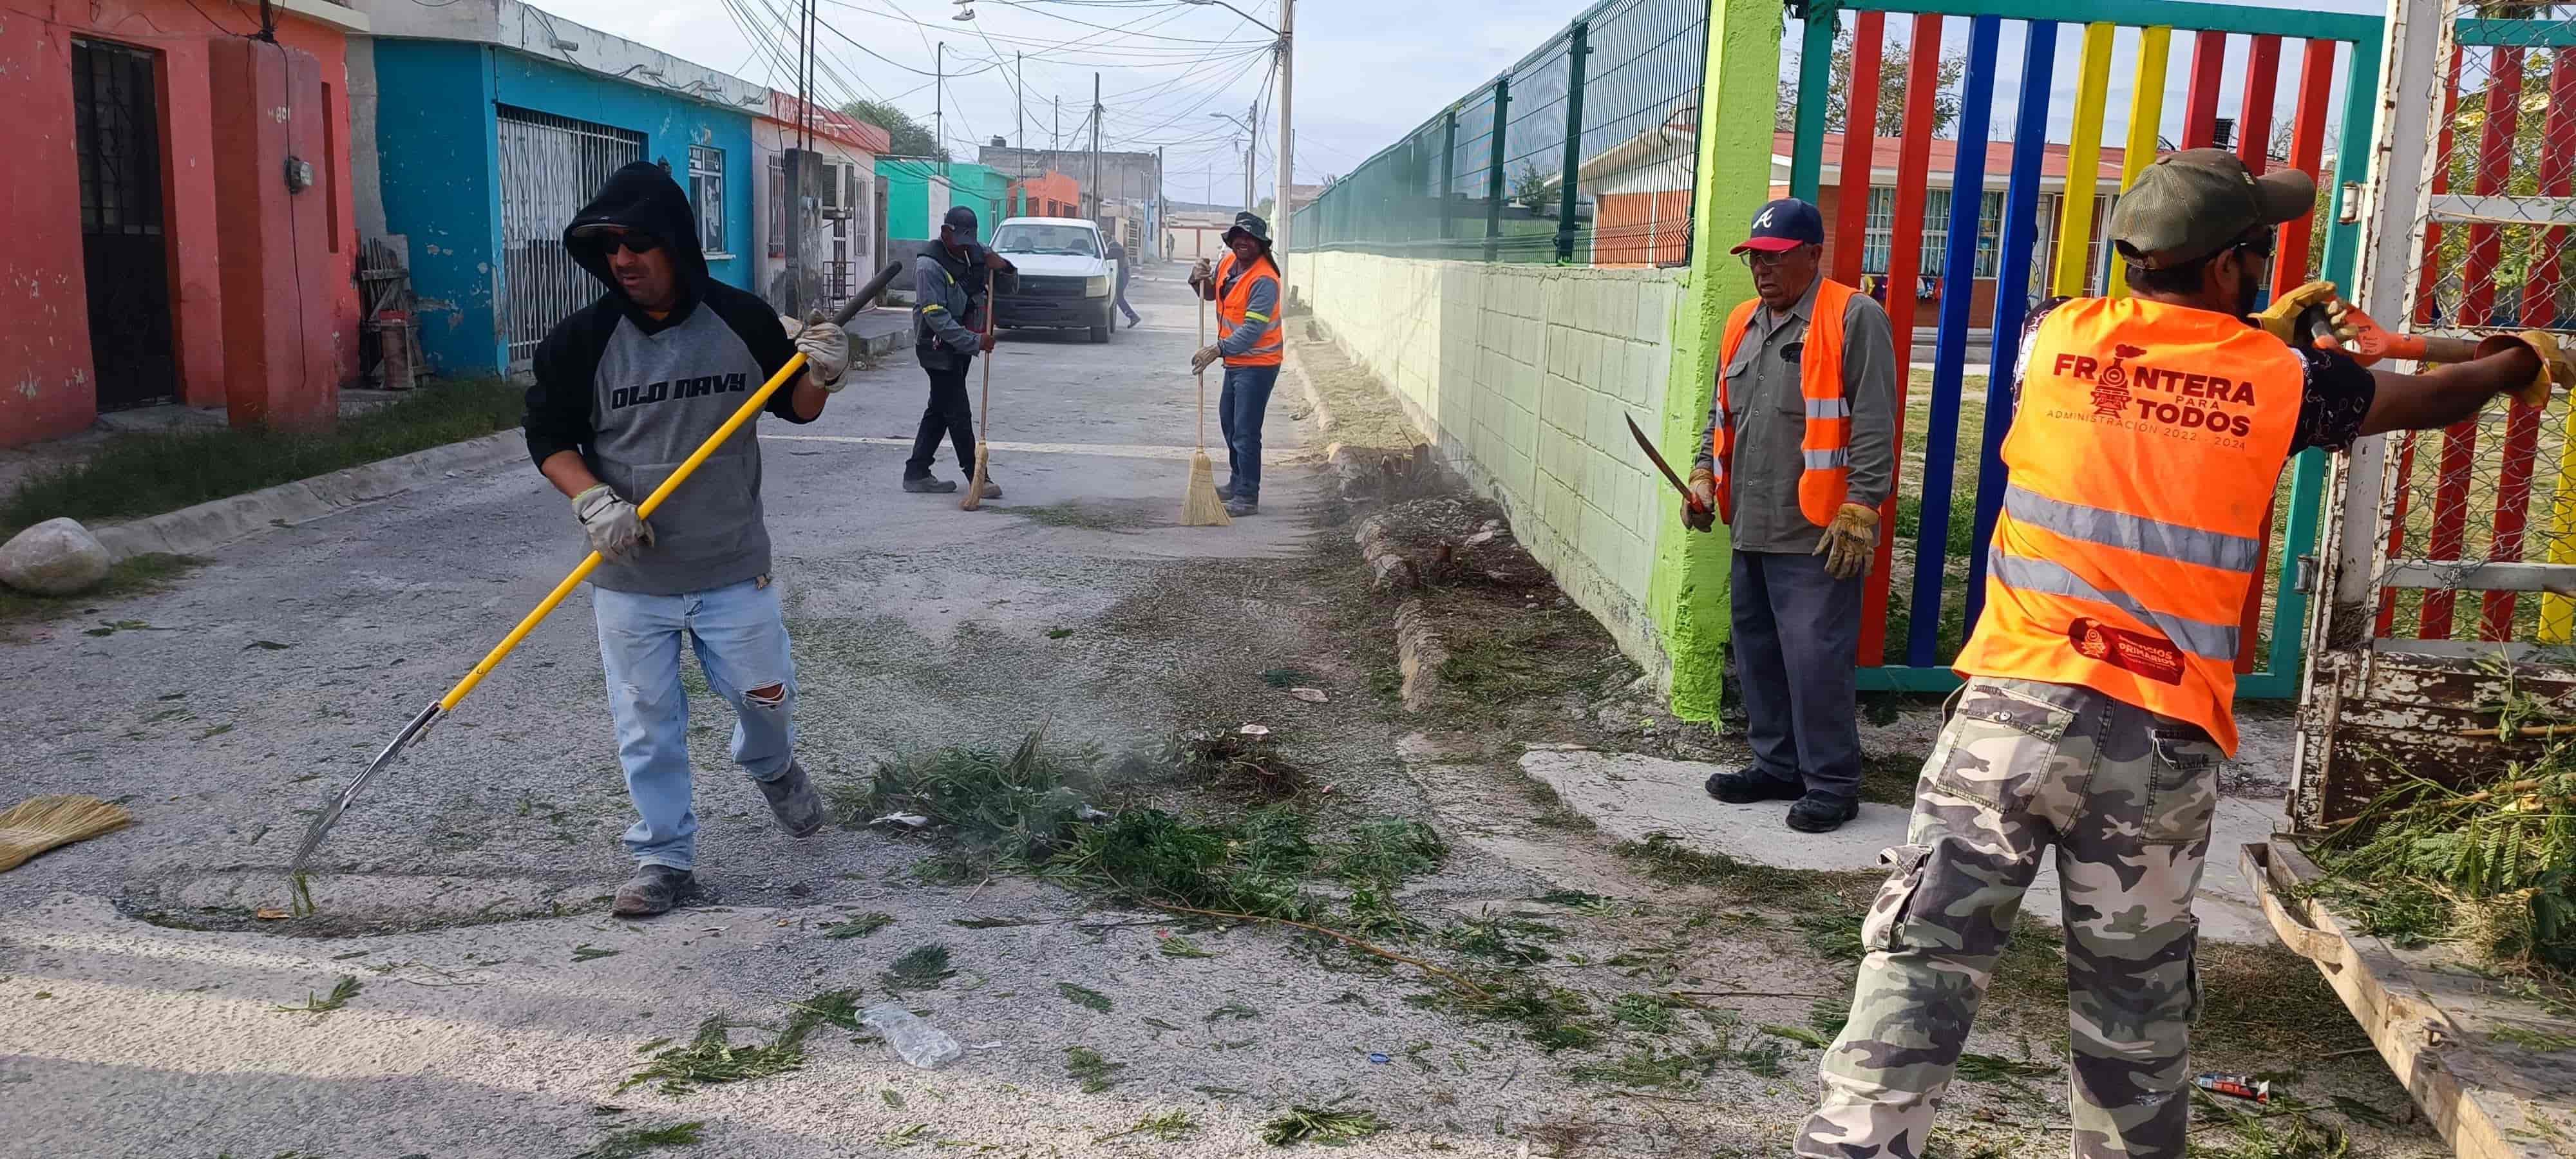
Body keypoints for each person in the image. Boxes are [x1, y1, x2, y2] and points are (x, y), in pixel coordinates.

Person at [1797, 149, 2575, 1158]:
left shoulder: (2052, 334)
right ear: (2223, 270)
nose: (2263, 265)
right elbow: (2439, 395)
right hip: (2156, 745)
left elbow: (2165, 371)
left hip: (2010, 716)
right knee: (2133, 1020)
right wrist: (2528, 353)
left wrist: (2245, 334)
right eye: (2257, 252)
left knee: (1918, 969)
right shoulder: (2287, 378)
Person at [521, 161, 852, 918]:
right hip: (631, 574)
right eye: (608, 249)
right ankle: (662, 858)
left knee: (766, 699)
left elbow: (795, 407)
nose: (623, 261)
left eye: (638, 243)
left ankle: (771, 766)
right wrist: (593, 500)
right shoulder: (582, 341)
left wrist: (824, 376)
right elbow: (549, 437)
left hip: (733, 566)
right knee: (647, 726)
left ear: (676, 241)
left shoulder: (741, 319)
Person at [1685, 197, 1898, 834]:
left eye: (1776, 259)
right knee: (1758, 655)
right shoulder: (1741, 324)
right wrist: (1703, 475)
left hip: (1818, 532)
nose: (1762, 271)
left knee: (1815, 661)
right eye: (1755, 258)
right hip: (1751, 520)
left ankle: (1831, 782)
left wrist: (1862, 504)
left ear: (1811, 256)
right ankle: (1776, 765)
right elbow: (1719, 413)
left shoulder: (1853, 317)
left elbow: (1873, 422)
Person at [905, 205, 1010, 496]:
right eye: (959, 240)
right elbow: (936, 318)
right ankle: (978, 478)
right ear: (945, 233)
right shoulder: (929, 266)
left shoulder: (976, 251)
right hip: (936, 346)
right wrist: (976, 341)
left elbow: (1006, 282)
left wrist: (1003, 267)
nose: (965, 248)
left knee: (940, 408)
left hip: (961, 346)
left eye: (970, 242)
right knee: (958, 411)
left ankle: (917, 471)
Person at [1186, 211, 1284, 518]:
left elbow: (1253, 331)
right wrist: (1197, 279)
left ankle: (1247, 495)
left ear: (1260, 244)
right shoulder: (1229, 264)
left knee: (1245, 430)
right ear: (1232, 240)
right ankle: (1237, 480)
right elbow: (1211, 294)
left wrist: (1216, 350)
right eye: (1238, 237)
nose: (1243, 242)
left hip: (1258, 363)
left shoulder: (1265, 280)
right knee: (1229, 423)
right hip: (1237, 361)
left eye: (1250, 238)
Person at [1105, 239, 1141, 329]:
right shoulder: (1115, 245)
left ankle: (1133, 316)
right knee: (1117, 297)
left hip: (1120, 274)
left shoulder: (1111, 247)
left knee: (1118, 297)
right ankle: (1132, 316)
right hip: (1123, 273)